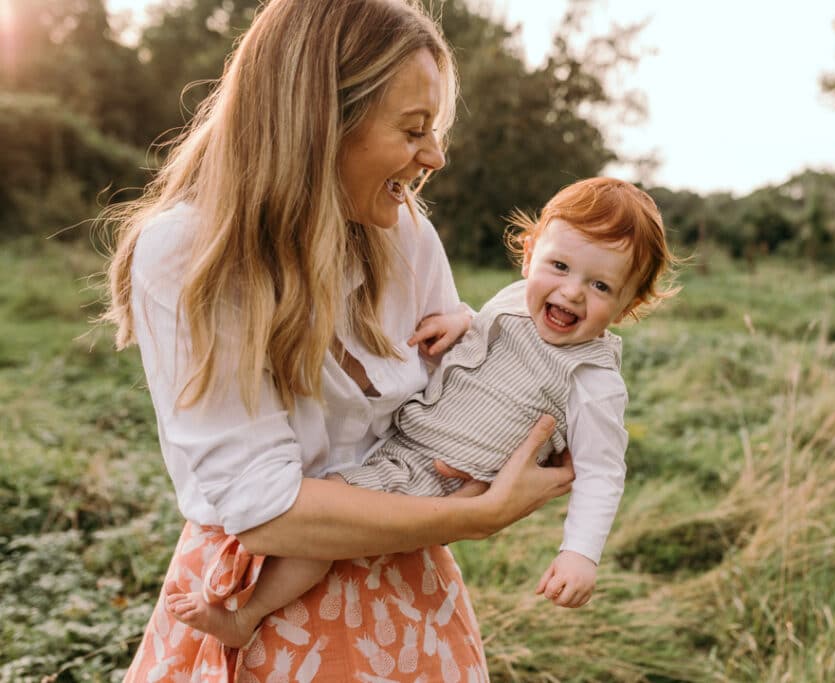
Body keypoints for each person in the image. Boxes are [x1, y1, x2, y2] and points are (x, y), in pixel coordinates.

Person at [103, 0, 575, 680]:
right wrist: (474, 516)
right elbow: (266, 512)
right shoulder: (187, 252)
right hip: (261, 604)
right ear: (320, 122)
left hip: (410, 594)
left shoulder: (403, 233)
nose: (435, 156)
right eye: (414, 129)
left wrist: (495, 353)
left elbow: (455, 409)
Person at [164, 177, 678, 648]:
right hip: (405, 446)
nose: (571, 291)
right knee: (320, 519)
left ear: (629, 305)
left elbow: (601, 472)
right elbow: (493, 339)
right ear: (529, 255)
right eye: (560, 267)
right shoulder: (514, 300)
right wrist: (462, 320)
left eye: (601, 287)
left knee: (319, 529)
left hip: (442, 480)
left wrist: (579, 553)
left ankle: (246, 614)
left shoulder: (593, 381)